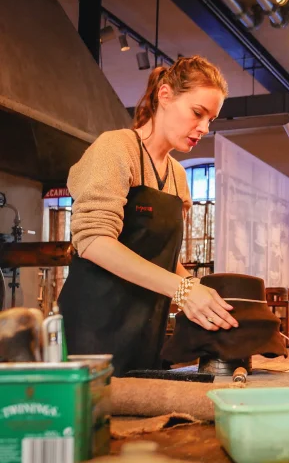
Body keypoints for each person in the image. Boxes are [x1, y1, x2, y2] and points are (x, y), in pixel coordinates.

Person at [58, 56, 238, 377]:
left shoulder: (178, 175)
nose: (204, 128)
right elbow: (93, 241)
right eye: (198, 113)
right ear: (165, 95)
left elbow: (163, 261)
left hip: (145, 333)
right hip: (93, 331)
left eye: (210, 120)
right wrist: (182, 290)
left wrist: (202, 295)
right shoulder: (116, 149)